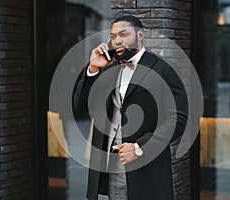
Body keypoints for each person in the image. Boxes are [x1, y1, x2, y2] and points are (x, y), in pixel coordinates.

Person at [73, 15, 188, 200]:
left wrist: (139, 147)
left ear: (140, 35)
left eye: (123, 34)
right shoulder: (109, 70)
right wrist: (93, 69)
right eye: (113, 36)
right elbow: (80, 106)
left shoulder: (164, 69)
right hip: (111, 169)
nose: (117, 40)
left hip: (146, 170)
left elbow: (178, 119)